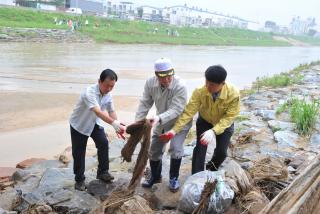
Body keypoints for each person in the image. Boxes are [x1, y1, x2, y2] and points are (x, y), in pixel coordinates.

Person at [160, 65, 240, 174]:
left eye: (212, 84)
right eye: (206, 82)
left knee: (222, 153)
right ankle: (196, 175)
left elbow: (230, 117)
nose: (207, 86)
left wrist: (213, 131)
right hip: (205, 121)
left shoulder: (233, 94)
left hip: (224, 124)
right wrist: (174, 130)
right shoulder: (200, 91)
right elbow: (188, 112)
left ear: (222, 83)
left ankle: (211, 168)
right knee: (200, 149)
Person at [135, 58, 191, 192]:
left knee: (176, 149)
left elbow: (177, 109)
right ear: (156, 75)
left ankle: (173, 178)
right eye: (162, 77)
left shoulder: (180, 85)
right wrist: (138, 120)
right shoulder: (150, 83)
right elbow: (145, 102)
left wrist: (158, 118)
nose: (166, 80)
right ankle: (155, 176)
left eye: (169, 75)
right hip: (160, 121)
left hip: (179, 123)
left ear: (173, 72)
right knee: (154, 150)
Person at [70, 69, 126, 191]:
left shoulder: (109, 94)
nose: (109, 89)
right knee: (79, 152)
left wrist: (117, 126)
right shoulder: (89, 93)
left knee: (103, 143)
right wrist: (113, 123)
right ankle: (79, 180)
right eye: (107, 85)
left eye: (112, 86)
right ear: (99, 81)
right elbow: (97, 111)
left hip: (94, 122)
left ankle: (103, 172)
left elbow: (111, 111)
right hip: (79, 124)